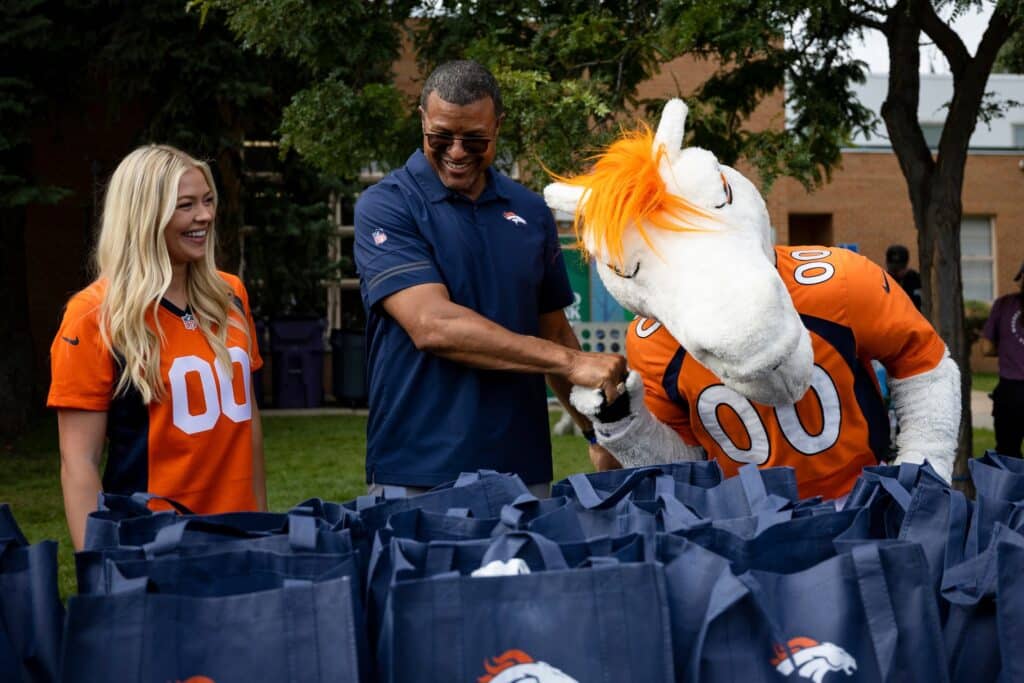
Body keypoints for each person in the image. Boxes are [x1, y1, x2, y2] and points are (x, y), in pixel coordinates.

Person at [353, 60, 625, 497]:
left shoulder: (531, 211)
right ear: (422, 119)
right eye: (440, 136)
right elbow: (433, 325)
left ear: (497, 127)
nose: (457, 151)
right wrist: (572, 363)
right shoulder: (387, 206)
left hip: (522, 466)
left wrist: (597, 433)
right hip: (418, 467)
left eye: (475, 138)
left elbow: (552, 328)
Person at [48, 145, 267, 550]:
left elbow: (248, 424)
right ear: (145, 216)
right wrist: (98, 566)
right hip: (153, 544)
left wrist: (262, 523)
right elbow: (78, 463)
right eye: (186, 205)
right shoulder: (92, 315)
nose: (204, 215)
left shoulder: (230, 295)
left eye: (207, 200)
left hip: (241, 535)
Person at [613, 247, 957, 499]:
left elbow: (921, 359)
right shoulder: (653, 339)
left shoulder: (836, 283)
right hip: (740, 517)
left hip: (859, 498)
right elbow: (683, 464)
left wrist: (924, 466)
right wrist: (617, 423)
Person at [981, 262, 1024, 457]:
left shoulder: (1003, 304)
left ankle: (1012, 488)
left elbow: (986, 347)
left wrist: (1008, 348)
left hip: (1010, 392)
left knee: (1007, 456)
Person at [885, 244, 923, 310]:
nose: (897, 273)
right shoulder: (883, 281)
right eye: (893, 270)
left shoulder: (916, 279)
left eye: (900, 268)